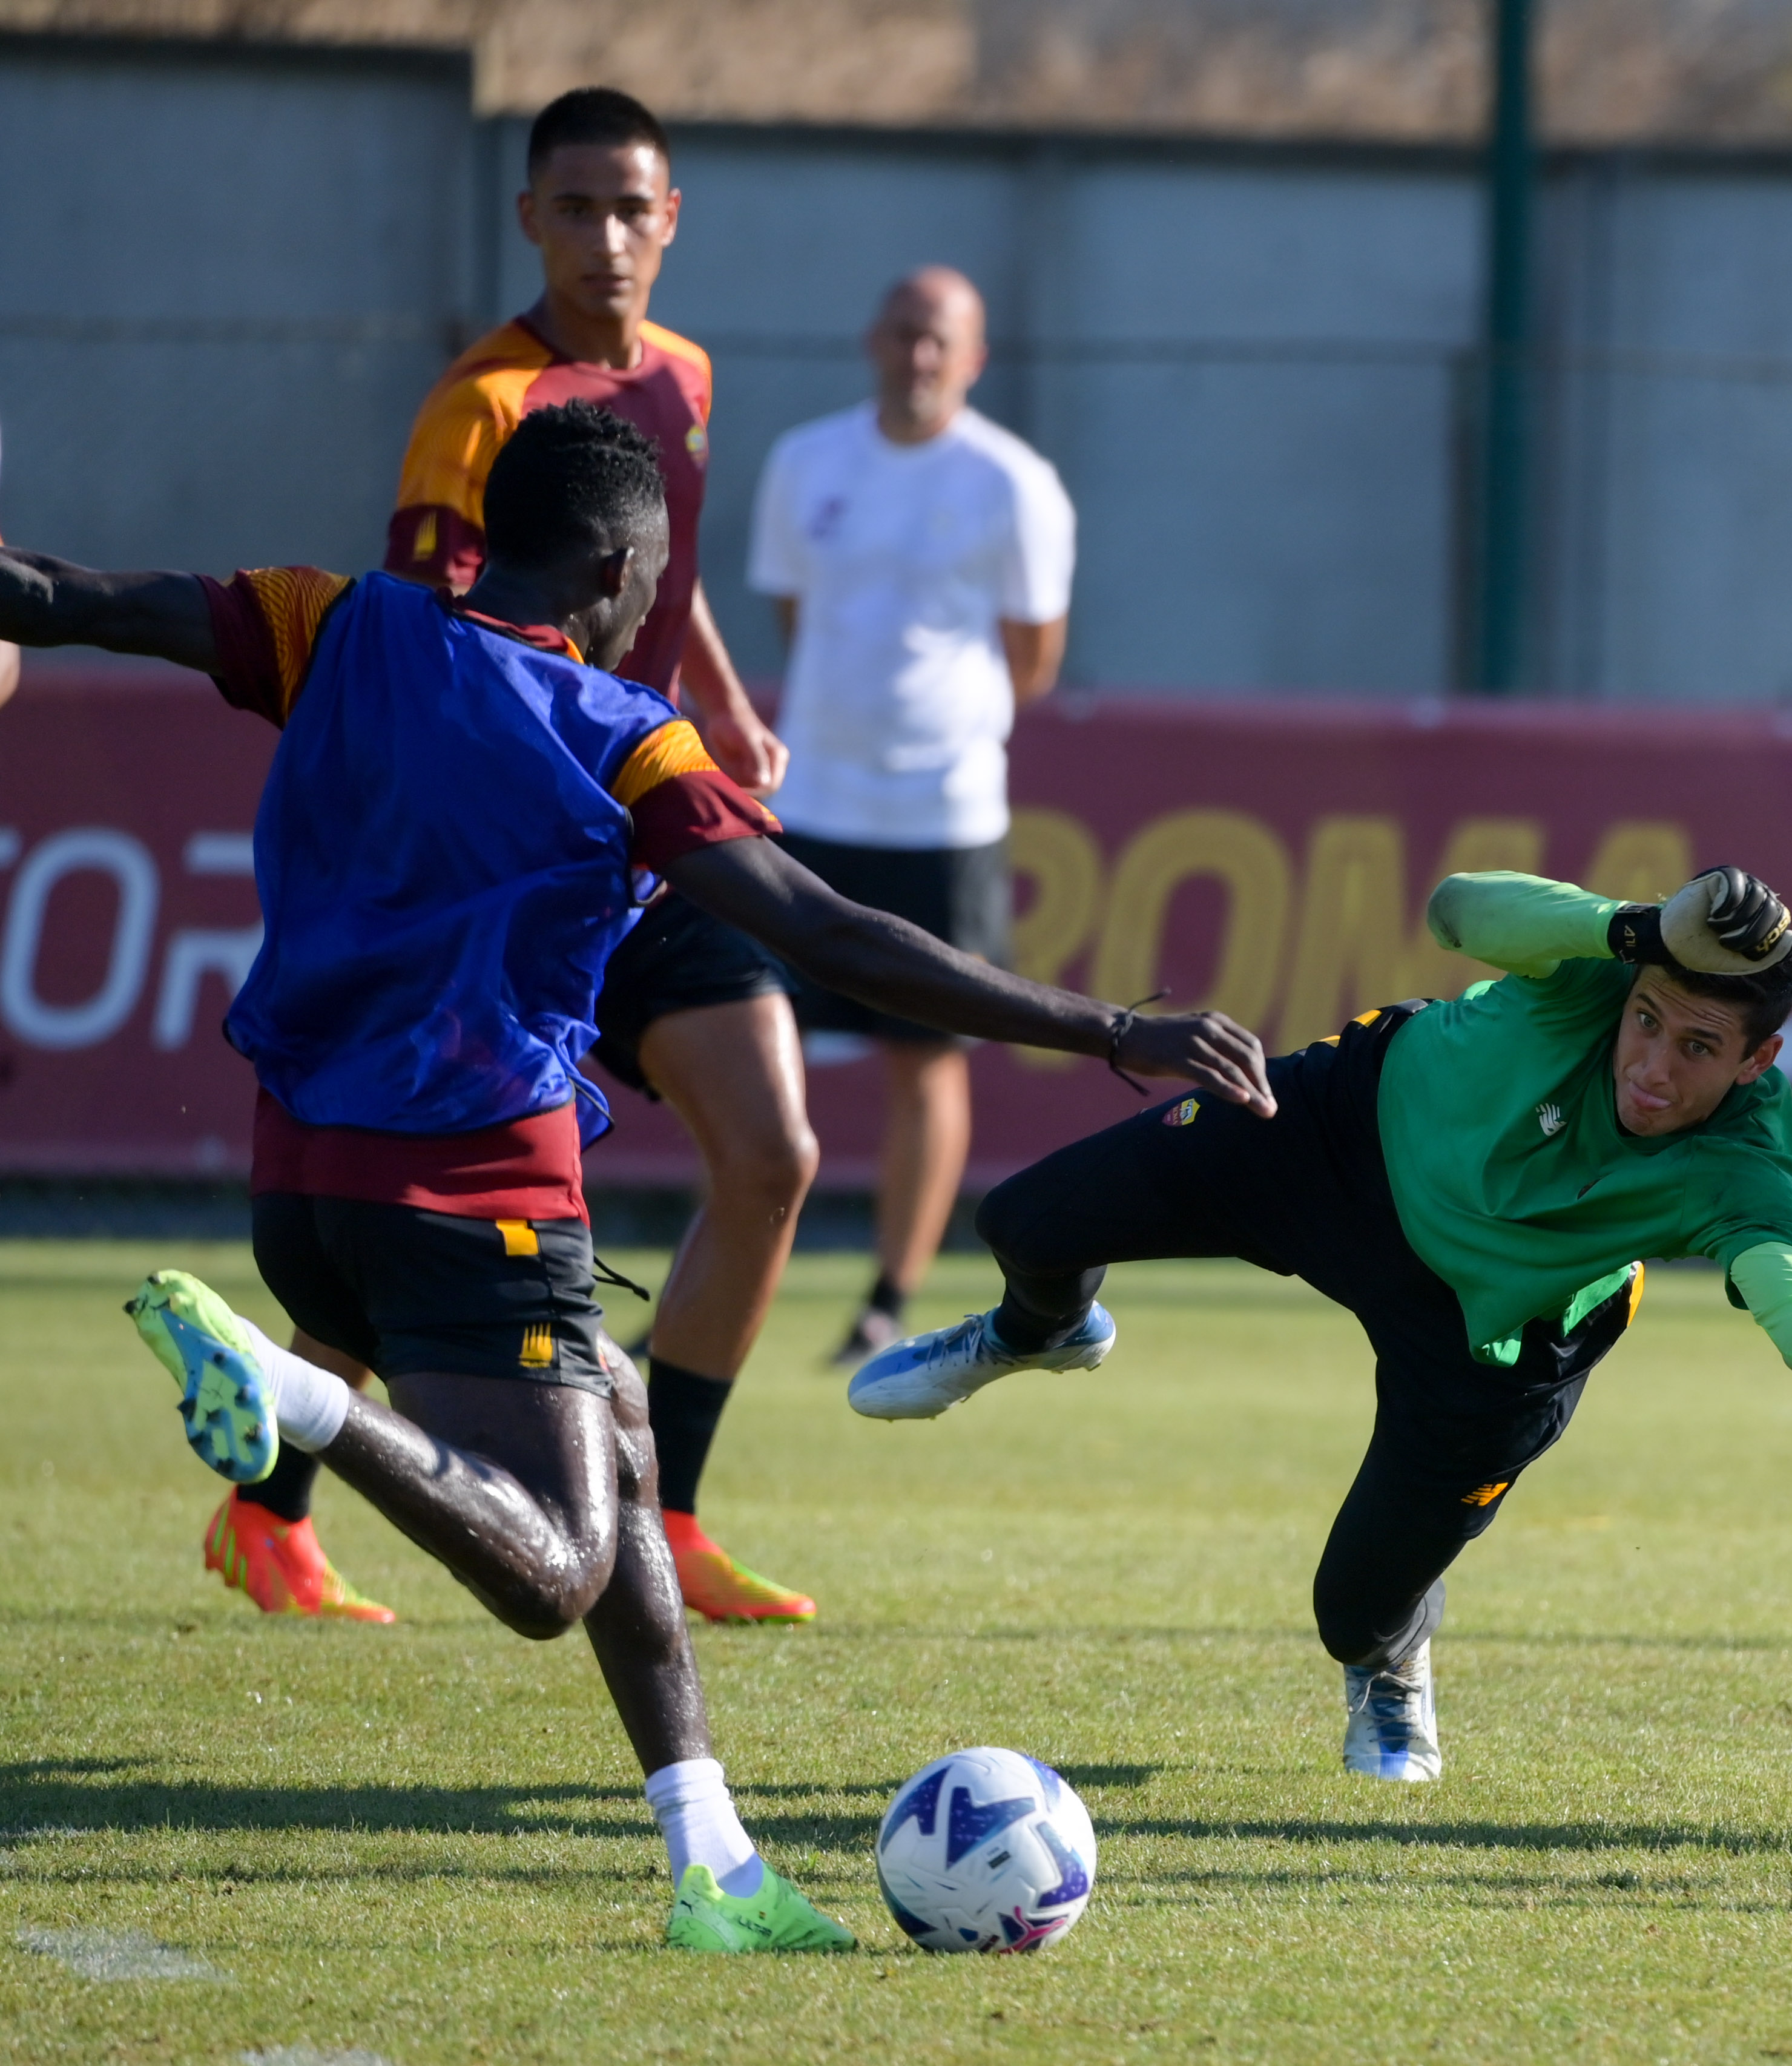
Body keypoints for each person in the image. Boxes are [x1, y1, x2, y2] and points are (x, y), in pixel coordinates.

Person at [0, 401, 1270, 1946]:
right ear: (617, 566)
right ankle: (296, 1397)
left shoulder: (328, 624)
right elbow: (833, 934)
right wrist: (1111, 1027)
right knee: (553, 1567)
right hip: (471, 1194)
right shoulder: (619, 736)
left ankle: (714, 1864)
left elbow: (74, 599)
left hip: (302, 1188)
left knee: (619, 1421)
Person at [847, 866, 1792, 1781]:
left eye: (1699, 1048)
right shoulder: (1597, 970)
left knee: (1348, 1613)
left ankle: (1394, 1657)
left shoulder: (1747, 1161)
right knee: (1028, 1220)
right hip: (1332, 1137)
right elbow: (1456, 909)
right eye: (1649, 1020)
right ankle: (1038, 1330)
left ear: (1760, 1061)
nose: (1652, 1063)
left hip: (1493, 1336)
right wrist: (1630, 930)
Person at [201, 85, 826, 1630]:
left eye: (636, 207)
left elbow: (656, 581)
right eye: (577, 207)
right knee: (404, 1202)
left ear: (673, 220)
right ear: (530, 218)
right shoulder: (482, 406)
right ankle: (268, 1504)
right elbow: (443, 655)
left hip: (649, 824)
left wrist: (727, 708)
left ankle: (664, 1511)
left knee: (775, 1152)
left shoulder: (681, 376)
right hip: (522, 864)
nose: (608, 236)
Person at [746, 267, 1077, 1364]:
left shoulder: (1014, 484)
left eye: (941, 340)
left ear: (974, 357)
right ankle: (732, 1275)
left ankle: (887, 1296)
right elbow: (797, 613)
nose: (919, 356)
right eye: (903, 334)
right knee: (748, 1043)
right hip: (814, 802)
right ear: (871, 340)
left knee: (923, 1056)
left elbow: (1033, 661)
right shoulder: (806, 462)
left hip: (944, 812)